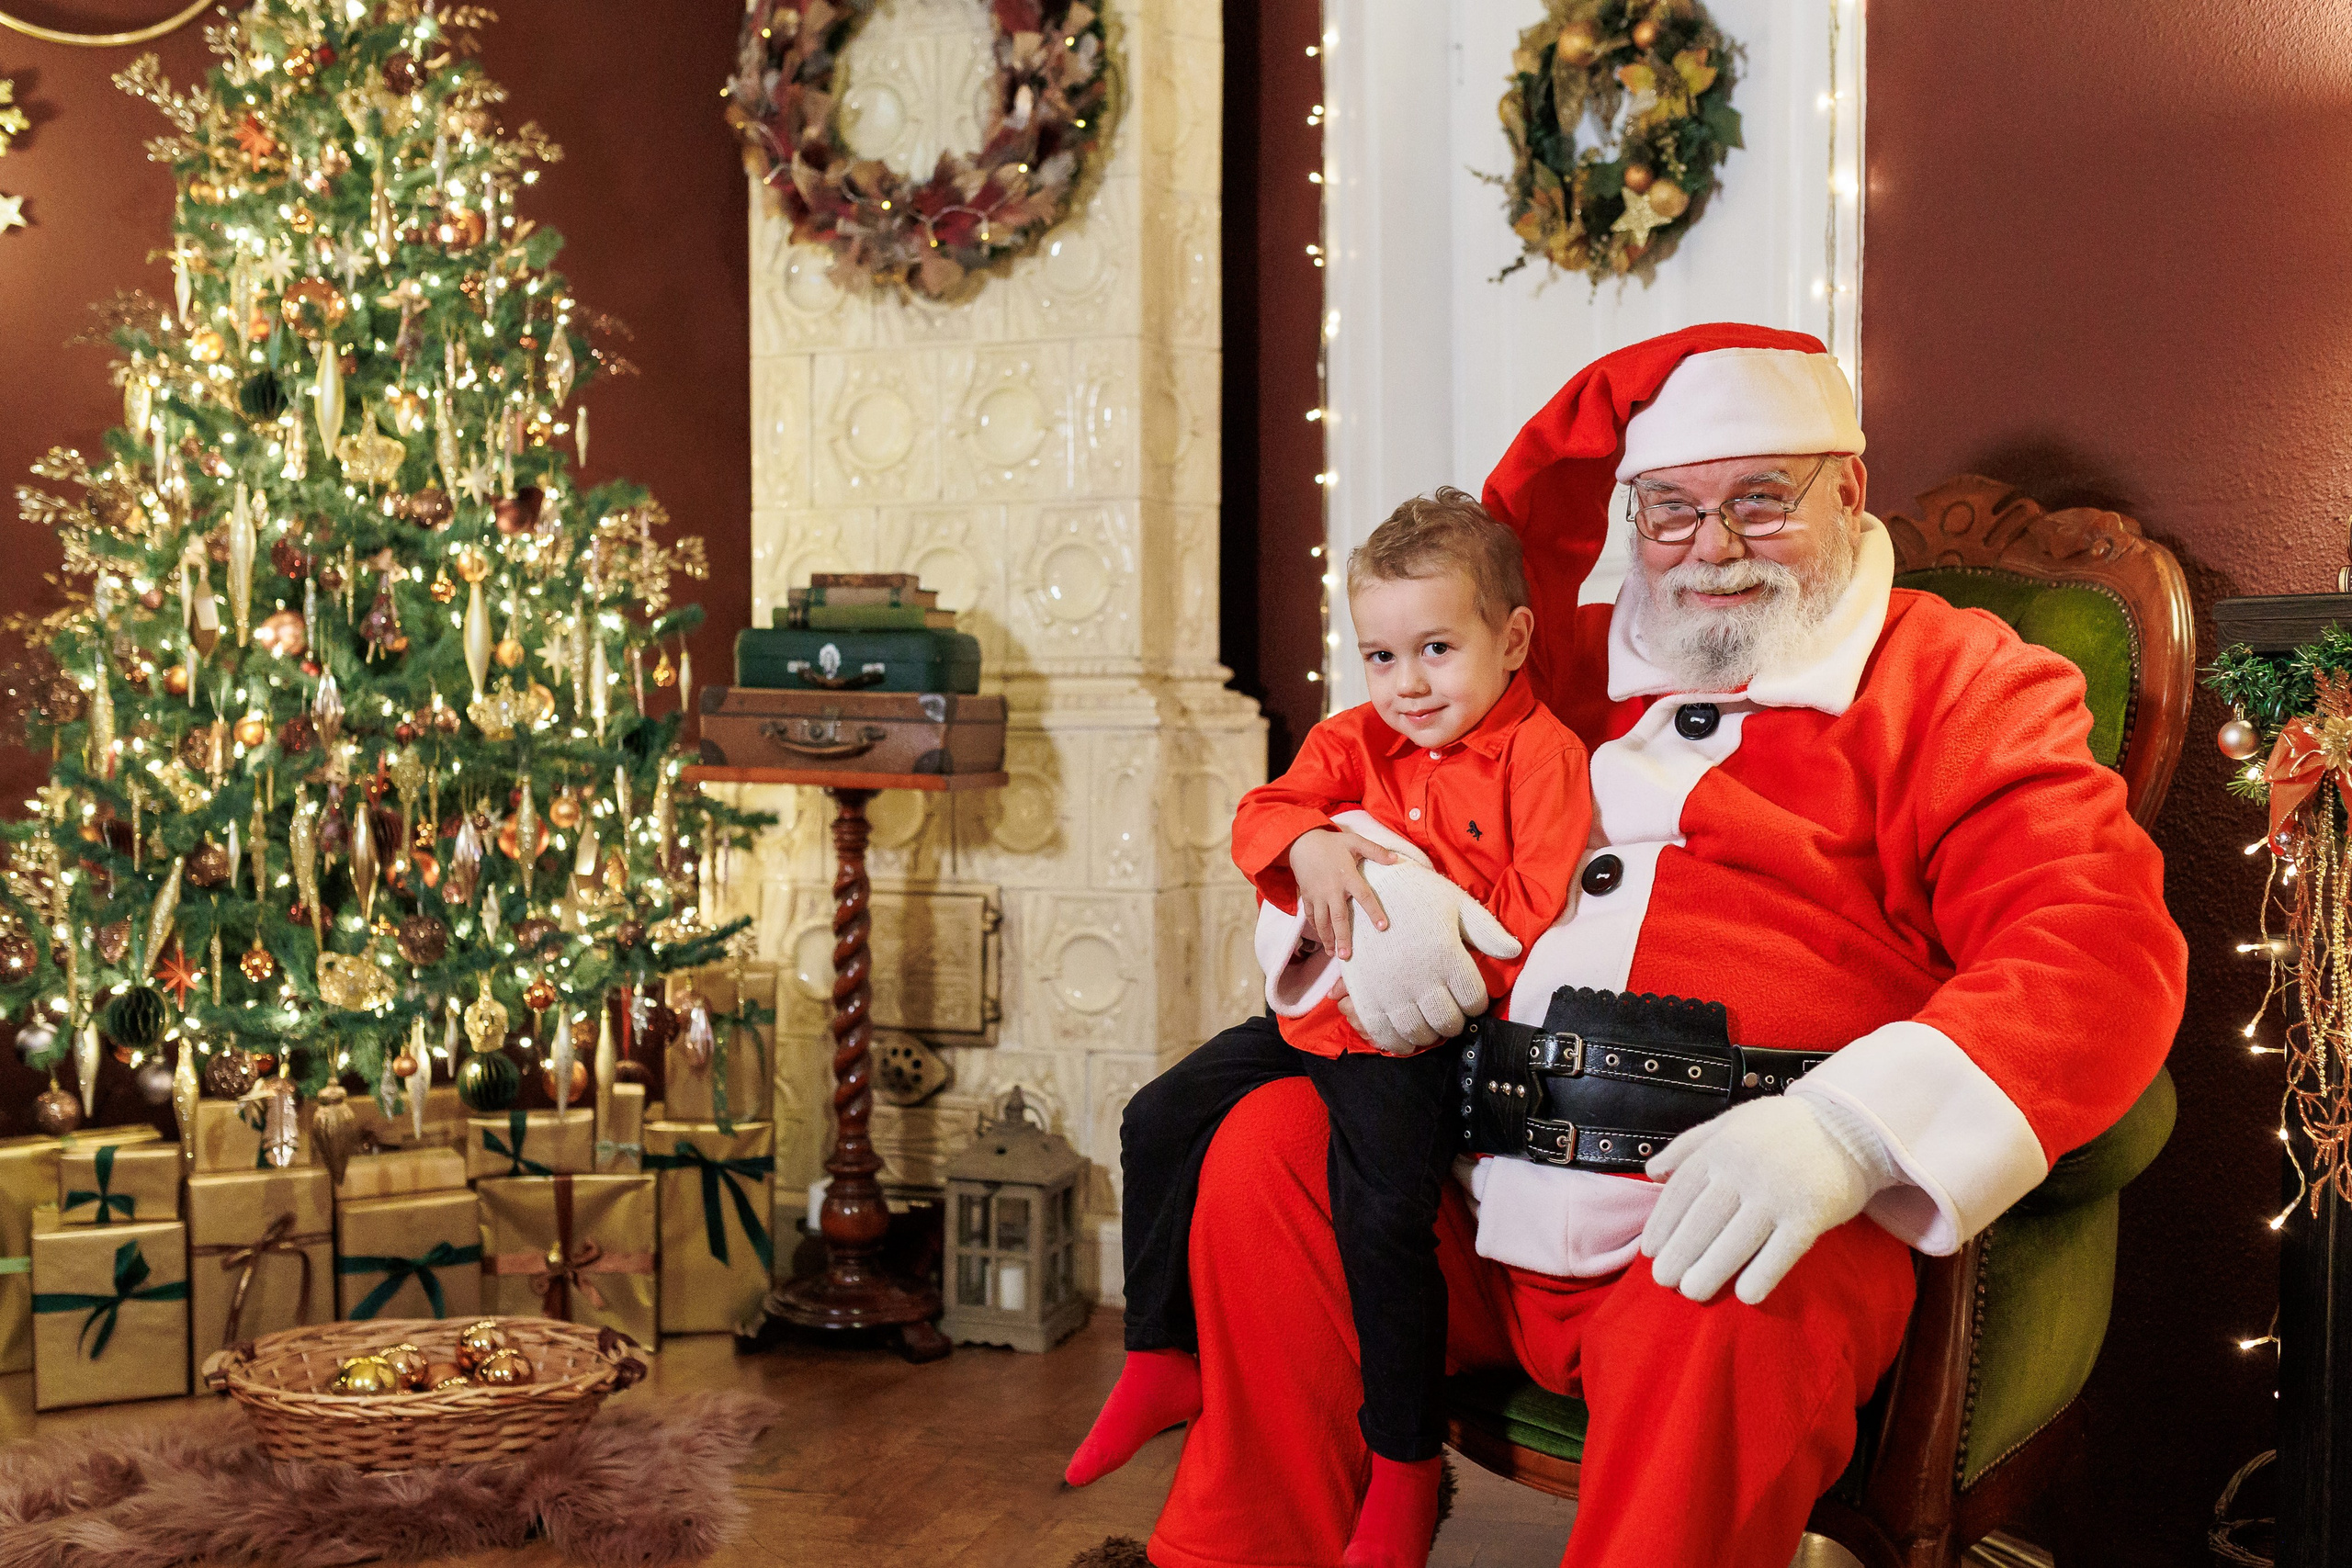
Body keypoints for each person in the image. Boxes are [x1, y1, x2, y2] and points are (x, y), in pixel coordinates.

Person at [1130, 322, 2188, 1568]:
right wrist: (1357, 895)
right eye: (1672, 511)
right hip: (1465, 1182)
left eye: (1759, 499)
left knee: (1739, 1299)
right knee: (1270, 1149)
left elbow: (2095, 942)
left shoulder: (1963, 681)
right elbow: (1354, 778)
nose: (1715, 548)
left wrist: (1843, 1134)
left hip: (1724, 1208)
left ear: (1847, 490)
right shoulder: (1547, 657)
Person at [1066, 492, 1594, 1568]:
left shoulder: (1545, 758)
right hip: (1316, 1017)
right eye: (1381, 656)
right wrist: (1307, 847)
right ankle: (1163, 1353)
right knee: (1158, 1115)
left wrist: (1432, 968)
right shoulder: (1353, 737)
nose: (1407, 685)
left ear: (1513, 638)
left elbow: (1536, 919)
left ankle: (1402, 1466)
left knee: (1379, 1219)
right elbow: (1263, 813)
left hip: (1418, 1038)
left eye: (1436, 651)